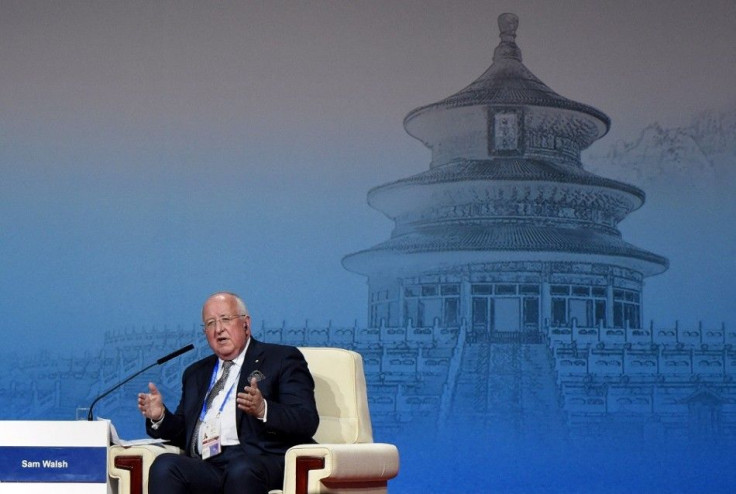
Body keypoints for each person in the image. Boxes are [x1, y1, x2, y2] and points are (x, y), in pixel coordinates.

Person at [137, 291, 319, 494]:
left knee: (241, 470)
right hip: (209, 463)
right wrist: (160, 417)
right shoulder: (196, 373)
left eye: (225, 319)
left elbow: (306, 420)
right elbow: (185, 432)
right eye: (210, 323)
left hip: (259, 460)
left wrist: (263, 409)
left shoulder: (281, 359)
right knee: (165, 466)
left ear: (246, 324)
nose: (218, 329)